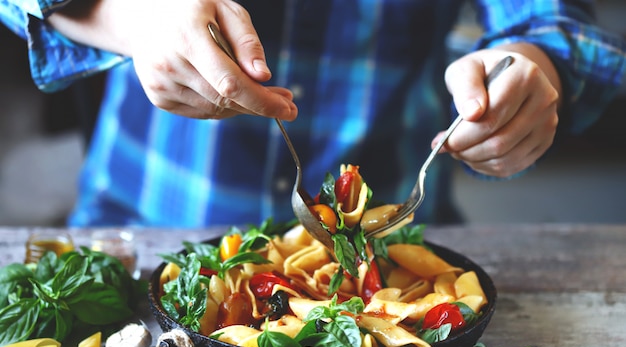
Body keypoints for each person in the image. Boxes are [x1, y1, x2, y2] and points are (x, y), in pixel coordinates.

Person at [1, 1, 625, 228]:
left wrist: (531, 64)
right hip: (144, 226)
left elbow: (549, 20)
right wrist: (135, 19)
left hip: (398, 237)